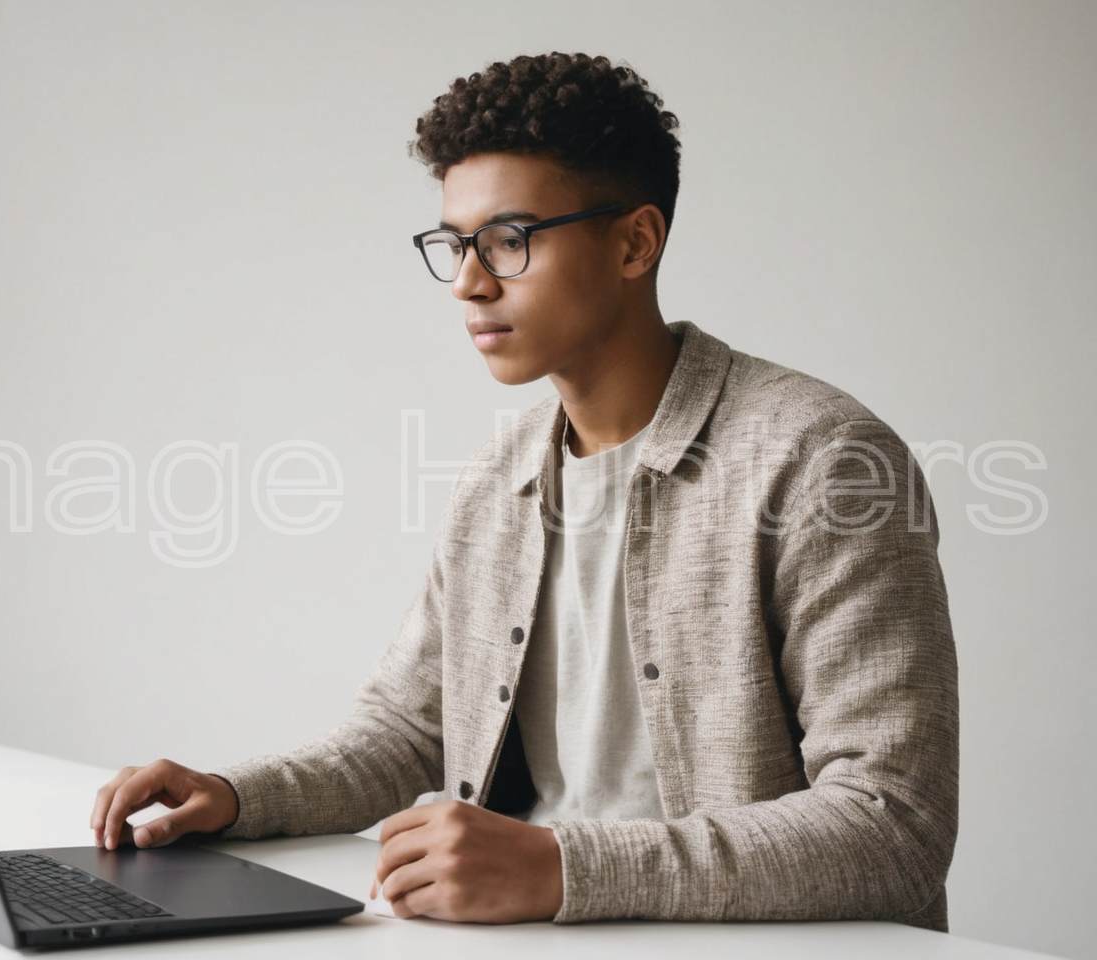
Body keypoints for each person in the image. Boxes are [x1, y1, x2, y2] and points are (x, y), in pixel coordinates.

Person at [91, 52, 958, 930]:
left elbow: (893, 824)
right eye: (454, 244)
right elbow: (410, 730)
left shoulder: (824, 459)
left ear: (635, 241)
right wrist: (236, 795)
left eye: (509, 240)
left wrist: (560, 866)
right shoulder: (498, 477)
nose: (470, 280)